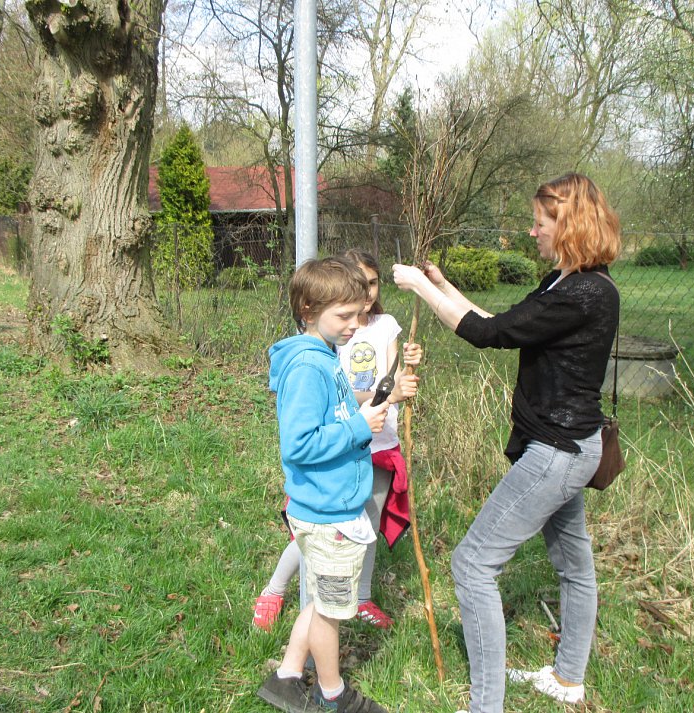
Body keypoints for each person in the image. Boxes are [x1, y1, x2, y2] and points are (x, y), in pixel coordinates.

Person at [393, 173, 621, 711]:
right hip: (569, 447)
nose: (532, 231)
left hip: (558, 453)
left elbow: (484, 335)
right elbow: (502, 323)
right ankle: (568, 681)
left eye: (539, 223)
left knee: (472, 565)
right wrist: (444, 286)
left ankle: (486, 706)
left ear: (568, 225)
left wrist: (420, 288)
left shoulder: (586, 292)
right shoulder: (564, 282)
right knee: (574, 567)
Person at [253, 249, 422, 633]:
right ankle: (279, 594)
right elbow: (311, 431)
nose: (356, 319)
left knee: (364, 529)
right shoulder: (321, 352)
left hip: (371, 446)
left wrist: (400, 379)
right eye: (346, 312)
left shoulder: (369, 330)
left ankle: (356, 601)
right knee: (321, 543)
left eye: (372, 286)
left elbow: (387, 379)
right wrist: (368, 416)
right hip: (341, 458)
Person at [257, 256, 392, 713]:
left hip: (330, 506)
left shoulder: (325, 354)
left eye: (360, 312)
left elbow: (330, 419)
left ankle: (287, 676)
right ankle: (332, 695)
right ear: (309, 310)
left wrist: (363, 413)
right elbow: (299, 445)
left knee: (319, 602)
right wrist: (359, 427)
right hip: (327, 513)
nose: (356, 324)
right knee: (332, 611)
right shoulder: (308, 368)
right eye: (345, 315)